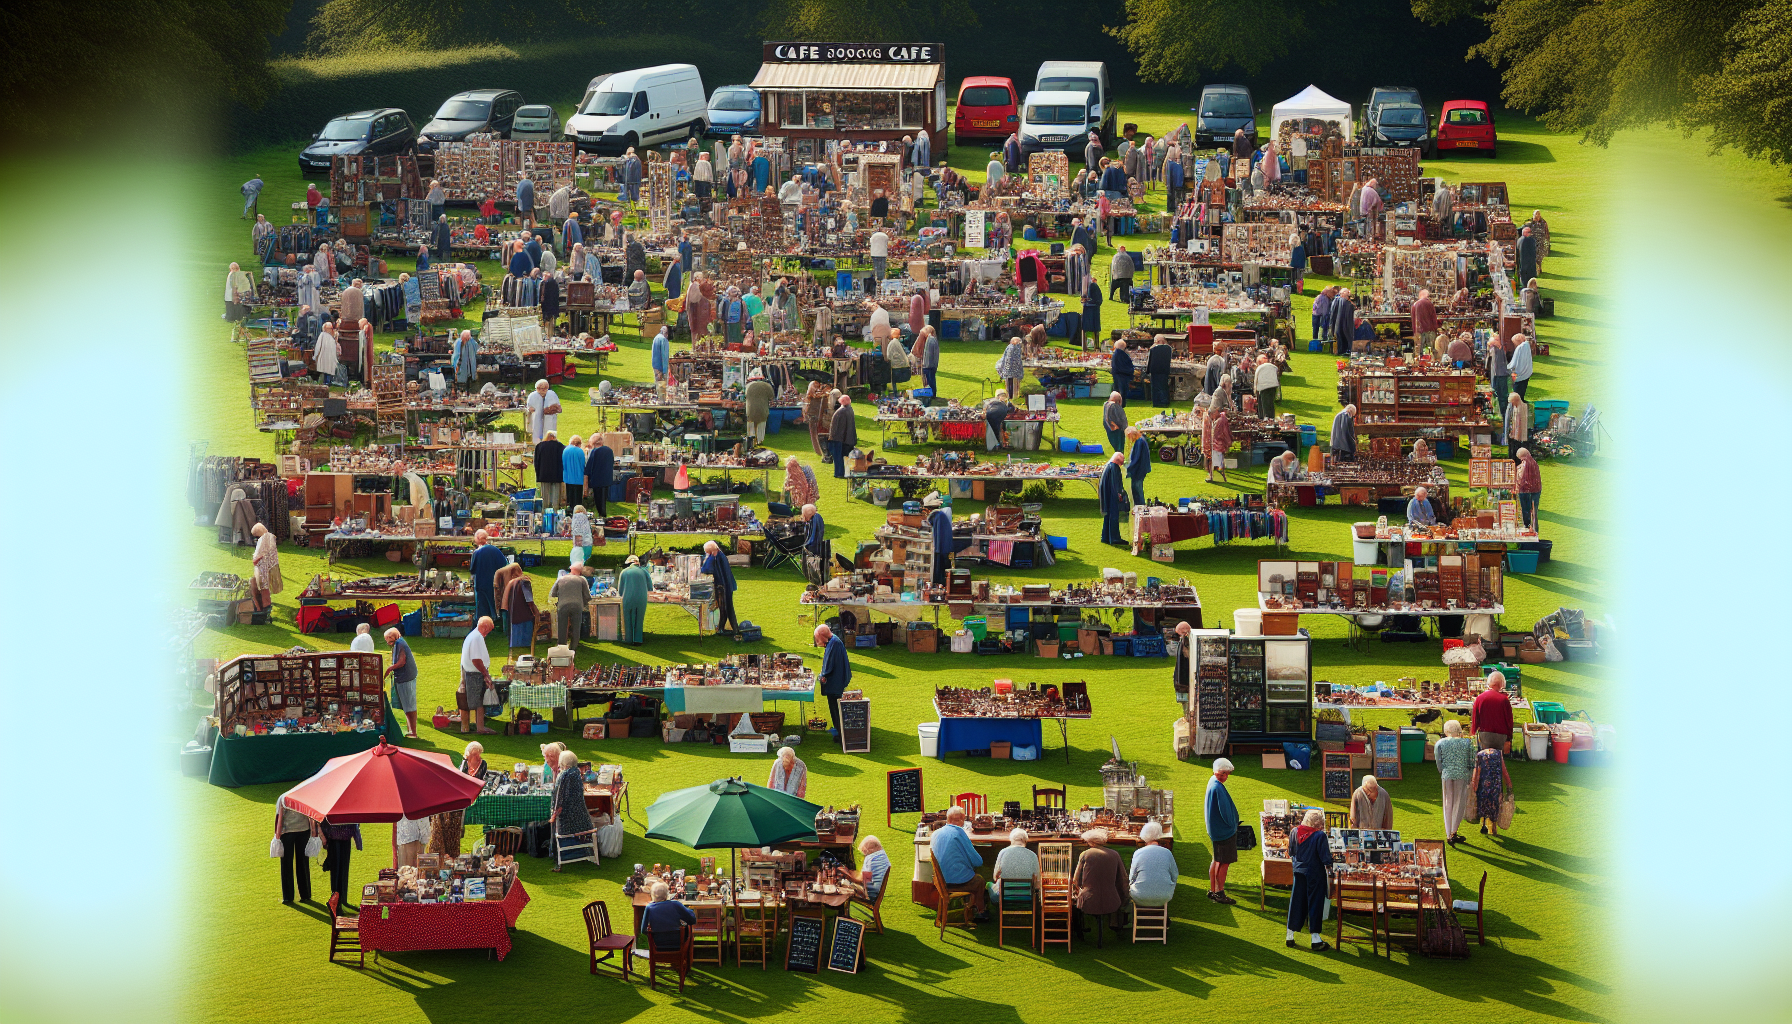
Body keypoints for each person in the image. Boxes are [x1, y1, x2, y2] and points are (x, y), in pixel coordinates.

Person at [1286, 809, 1334, 952]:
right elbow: (1325, 858)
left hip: (1298, 872)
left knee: (1296, 902)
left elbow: (1291, 851)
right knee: (1315, 904)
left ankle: (1290, 935)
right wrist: (1331, 865)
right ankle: (1315, 938)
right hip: (1315, 873)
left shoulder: (1294, 832)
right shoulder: (1320, 836)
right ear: (1318, 823)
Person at [929, 806, 988, 919]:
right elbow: (978, 861)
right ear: (961, 819)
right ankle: (980, 911)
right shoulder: (959, 833)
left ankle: (971, 906)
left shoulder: (936, 833)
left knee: (970, 873)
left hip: (939, 879)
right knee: (979, 880)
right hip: (954, 881)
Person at [546, 749, 595, 870]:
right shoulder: (576, 773)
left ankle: (557, 858)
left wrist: (554, 814)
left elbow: (559, 797)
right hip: (583, 820)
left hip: (568, 823)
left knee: (554, 826)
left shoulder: (564, 775)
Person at [1073, 828, 1128, 932]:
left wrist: (1075, 894)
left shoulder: (1085, 854)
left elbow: (1075, 880)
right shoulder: (1115, 854)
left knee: (1078, 899)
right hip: (1112, 900)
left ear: (1091, 842)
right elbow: (1123, 878)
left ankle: (1084, 928)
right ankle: (1113, 924)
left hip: (1088, 901)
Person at [1202, 758, 1241, 904]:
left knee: (1217, 859)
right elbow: (1225, 812)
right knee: (1224, 862)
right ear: (1221, 773)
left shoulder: (1212, 781)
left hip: (1216, 830)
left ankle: (1213, 890)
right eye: (1226, 774)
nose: (1227, 777)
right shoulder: (1217, 787)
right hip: (1223, 832)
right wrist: (1233, 825)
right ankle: (1219, 893)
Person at [272, 786, 319, 904]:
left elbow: (279, 818)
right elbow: (311, 815)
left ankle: (289, 897)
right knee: (301, 862)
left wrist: (277, 836)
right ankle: (304, 895)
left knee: (288, 864)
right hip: (301, 831)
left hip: (289, 832)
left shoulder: (284, 798)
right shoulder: (303, 797)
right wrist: (314, 832)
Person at [812, 623, 856, 740]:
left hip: (835, 683)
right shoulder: (834, 641)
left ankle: (841, 735)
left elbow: (829, 665)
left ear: (822, 636)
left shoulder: (834, 644)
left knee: (836, 710)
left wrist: (822, 676)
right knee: (835, 709)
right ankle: (839, 731)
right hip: (837, 681)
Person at [1436, 720, 1475, 844]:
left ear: (1446, 730)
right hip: (1462, 774)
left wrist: (1443, 771)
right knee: (1459, 802)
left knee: (1448, 802)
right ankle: (1454, 831)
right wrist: (1470, 774)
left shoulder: (1440, 743)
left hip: (1447, 775)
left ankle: (1448, 833)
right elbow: (1472, 760)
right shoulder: (1467, 743)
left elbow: (1438, 761)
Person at [459, 616, 498, 735]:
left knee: (478, 701)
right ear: (485, 627)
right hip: (474, 674)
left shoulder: (473, 635)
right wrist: (486, 674)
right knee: (479, 702)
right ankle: (480, 728)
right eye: (489, 630)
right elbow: (476, 660)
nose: (488, 633)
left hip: (470, 672)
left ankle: (476, 727)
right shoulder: (477, 638)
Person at [1470, 735, 1515, 839]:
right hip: (1495, 784)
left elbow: (1477, 771)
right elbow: (1503, 769)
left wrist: (1474, 784)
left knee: (1483, 803)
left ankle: (1483, 823)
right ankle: (1493, 826)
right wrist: (1509, 783)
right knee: (1494, 804)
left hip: (1483, 784)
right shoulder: (1498, 753)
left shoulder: (1480, 754)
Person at [1128, 820, 1178, 909]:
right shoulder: (1167, 852)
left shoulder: (1138, 853)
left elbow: (1131, 877)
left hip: (1139, 896)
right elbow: (1174, 875)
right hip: (1164, 896)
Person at [381, 627, 420, 737]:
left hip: (405, 677)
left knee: (409, 706)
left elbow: (402, 662)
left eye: (387, 639)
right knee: (407, 705)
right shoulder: (400, 642)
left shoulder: (399, 643)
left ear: (391, 637)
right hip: (407, 676)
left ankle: (413, 732)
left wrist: (390, 669)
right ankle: (410, 730)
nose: (387, 642)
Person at [319, 815, 363, 910]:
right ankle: (335, 901)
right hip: (334, 837)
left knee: (343, 870)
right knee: (336, 870)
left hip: (344, 835)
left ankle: (342, 900)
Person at [988, 827, 1040, 905]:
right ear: (1025, 841)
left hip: (1004, 897)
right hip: (1027, 898)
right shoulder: (1033, 855)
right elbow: (1037, 884)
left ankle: (984, 909)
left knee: (989, 884)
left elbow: (995, 877)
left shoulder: (1003, 853)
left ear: (1011, 840)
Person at [468, 529, 506, 630]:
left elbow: (472, 569)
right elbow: (504, 565)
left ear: (478, 539)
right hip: (495, 582)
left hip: (481, 583)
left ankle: (483, 626)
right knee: (494, 603)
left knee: (482, 607)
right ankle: (496, 622)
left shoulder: (477, 552)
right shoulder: (495, 550)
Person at [609, 554, 650, 646]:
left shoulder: (624, 572)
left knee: (627, 618)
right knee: (639, 618)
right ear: (637, 563)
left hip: (628, 597)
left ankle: (629, 639)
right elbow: (650, 587)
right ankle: (638, 639)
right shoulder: (644, 571)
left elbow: (620, 590)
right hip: (641, 598)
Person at [701, 540, 740, 637]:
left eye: (708, 552)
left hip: (723, 586)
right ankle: (729, 629)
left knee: (725, 608)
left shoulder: (717, 557)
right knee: (727, 608)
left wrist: (711, 557)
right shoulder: (720, 555)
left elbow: (706, 569)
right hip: (726, 585)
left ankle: (728, 629)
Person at [1472, 670, 1515, 755]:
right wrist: (1509, 739)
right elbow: (1509, 721)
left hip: (1485, 736)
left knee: (1486, 758)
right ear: (1502, 684)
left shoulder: (1479, 698)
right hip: (1501, 736)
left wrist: (1473, 734)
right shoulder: (1504, 699)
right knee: (1499, 758)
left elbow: (1475, 719)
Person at [501, 561, 539, 653]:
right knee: (525, 645)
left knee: (515, 645)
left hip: (513, 617)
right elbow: (529, 601)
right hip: (524, 617)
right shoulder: (524, 582)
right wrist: (536, 613)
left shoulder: (510, 583)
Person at [553, 563, 590, 648]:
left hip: (562, 605)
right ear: (580, 571)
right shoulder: (582, 579)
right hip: (577, 605)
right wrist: (584, 603)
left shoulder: (561, 578)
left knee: (562, 626)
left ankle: (561, 646)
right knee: (576, 627)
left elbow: (554, 593)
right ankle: (573, 647)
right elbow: (587, 596)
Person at [849, 835, 892, 903]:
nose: (864, 855)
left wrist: (848, 874)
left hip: (870, 895)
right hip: (877, 891)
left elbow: (862, 880)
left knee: (844, 887)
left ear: (869, 849)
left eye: (864, 852)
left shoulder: (869, 859)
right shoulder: (882, 855)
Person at [248, 523, 280, 612]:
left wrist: (254, 560)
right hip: (271, 565)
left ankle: (265, 606)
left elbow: (258, 555)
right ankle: (266, 604)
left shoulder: (263, 539)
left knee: (263, 586)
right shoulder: (271, 536)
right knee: (265, 586)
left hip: (263, 566)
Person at [1099, 452, 1126, 545]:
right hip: (1112, 495)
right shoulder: (1114, 468)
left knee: (1107, 516)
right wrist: (1119, 495)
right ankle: (1114, 538)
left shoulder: (1108, 466)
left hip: (1106, 494)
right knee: (1114, 516)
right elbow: (1116, 484)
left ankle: (1105, 537)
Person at [585, 438, 615, 518]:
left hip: (597, 479)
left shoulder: (595, 451)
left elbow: (589, 466)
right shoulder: (609, 451)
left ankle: (601, 515)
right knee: (603, 498)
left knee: (598, 499)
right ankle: (603, 515)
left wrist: (587, 476)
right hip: (607, 479)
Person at [1203, 405, 1232, 485]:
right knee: (1218, 461)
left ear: (1215, 412)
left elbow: (1223, 432)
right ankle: (1216, 477)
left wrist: (1228, 441)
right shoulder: (1220, 419)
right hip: (1217, 443)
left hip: (1218, 444)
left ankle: (1217, 478)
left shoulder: (1221, 420)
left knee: (1217, 461)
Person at [829, 395, 857, 478]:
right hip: (847, 438)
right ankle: (845, 472)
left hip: (839, 438)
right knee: (845, 457)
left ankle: (839, 473)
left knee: (838, 457)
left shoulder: (841, 411)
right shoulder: (849, 409)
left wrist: (832, 437)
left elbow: (835, 427)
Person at [1516, 447, 1543, 532]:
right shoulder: (1534, 462)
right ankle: (1535, 530)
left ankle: (1527, 529)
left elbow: (1522, 477)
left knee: (1526, 511)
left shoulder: (1525, 464)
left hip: (1525, 491)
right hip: (1536, 490)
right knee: (1534, 511)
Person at [527, 379, 562, 443]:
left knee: (549, 433)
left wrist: (551, 409)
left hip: (549, 419)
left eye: (545, 388)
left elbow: (559, 409)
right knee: (536, 433)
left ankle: (550, 442)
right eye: (541, 388)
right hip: (536, 420)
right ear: (537, 388)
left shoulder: (551, 395)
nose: (543, 390)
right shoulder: (533, 396)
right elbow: (529, 408)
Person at [744, 370, 775, 444]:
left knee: (751, 423)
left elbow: (745, 396)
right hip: (762, 408)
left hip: (750, 408)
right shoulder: (767, 386)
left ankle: (751, 440)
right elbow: (771, 397)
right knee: (761, 424)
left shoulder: (748, 386)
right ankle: (759, 440)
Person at [1125, 426, 1152, 506]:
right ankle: (1138, 506)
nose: (1129, 439)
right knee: (1135, 488)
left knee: (1137, 489)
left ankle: (1140, 507)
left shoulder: (1139, 442)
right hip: (1140, 469)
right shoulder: (1140, 440)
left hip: (1139, 470)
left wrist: (1128, 468)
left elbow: (1136, 458)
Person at [1145, 335, 1173, 407]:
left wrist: (1147, 371)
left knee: (1155, 387)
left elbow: (1150, 361)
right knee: (1164, 386)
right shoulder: (1168, 349)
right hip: (1164, 370)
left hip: (1155, 370)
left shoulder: (1153, 349)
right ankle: (1165, 401)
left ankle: (1157, 402)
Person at [995, 336, 1025, 401]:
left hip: (1009, 369)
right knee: (1012, 382)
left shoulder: (1011, 347)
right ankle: (1013, 396)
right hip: (1012, 370)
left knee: (1010, 382)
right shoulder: (1015, 348)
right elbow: (1013, 359)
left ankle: (1011, 396)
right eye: (1019, 342)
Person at [1329, 287, 1356, 356]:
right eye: (1348, 296)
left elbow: (1332, 313)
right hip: (1345, 324)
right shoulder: (1347, 304)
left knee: (1340, 338)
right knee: (1345, 337)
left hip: (1337, 324)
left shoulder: (1336, 301)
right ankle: (1345, 351)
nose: (1348, 297)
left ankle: (1340, 351)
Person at [1412, 288, 1440, 356]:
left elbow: (1413, 321)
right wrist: (1435, 329)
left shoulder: (1415, 305)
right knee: (1430, 351)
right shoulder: (1430, 304)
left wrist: (1415, 332)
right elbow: (1434, 318)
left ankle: (1420, 361)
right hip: (1430, 331)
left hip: (1419, 331)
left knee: (1419, 352)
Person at [561, 437, 587, 510]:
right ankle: (577, 513)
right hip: (578, 478)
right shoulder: (580, 451)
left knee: (570, 499)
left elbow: (563, 464)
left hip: (568, 478)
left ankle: (570, 511)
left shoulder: (565, 450)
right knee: (577, 500)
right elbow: (583, 465)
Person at [1252, 354, 1279, 421]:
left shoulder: (1260, 368)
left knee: (1264, 404)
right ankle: (1271, 418)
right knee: (1270, 403)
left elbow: (1256, 380)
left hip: (1263, 387)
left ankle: (1264, 418)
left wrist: (1255, 391)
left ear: (1259, 362)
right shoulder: (1273, 367)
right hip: (1273, 386)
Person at [1506, 389, 1530, 460]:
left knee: (1516, 447)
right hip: (1514, 432)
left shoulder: (1520, 409)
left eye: (1512, 402)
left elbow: (1518, 425)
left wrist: (1514, 434)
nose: (1512, 404)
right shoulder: (1516, 407)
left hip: (1518, 434)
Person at [1109, 339, 1134, 406]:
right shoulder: (1122, 354)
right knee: (1122, 391)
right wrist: (1130, 371)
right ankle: (1121, 403)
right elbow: (1126, 365)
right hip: (1122, 375)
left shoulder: (1116, 354)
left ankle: (1117, 403)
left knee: (1117, 389)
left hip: (1118, 374)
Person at [1510, 332, 1534, 399]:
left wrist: (1508, 368)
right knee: (1522, 391)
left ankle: (1518, 404)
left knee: (1517, 393)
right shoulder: (1526, 345)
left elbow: (1514, 362)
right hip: (1527, 372)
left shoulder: (1520, 348)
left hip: (1520, 374)